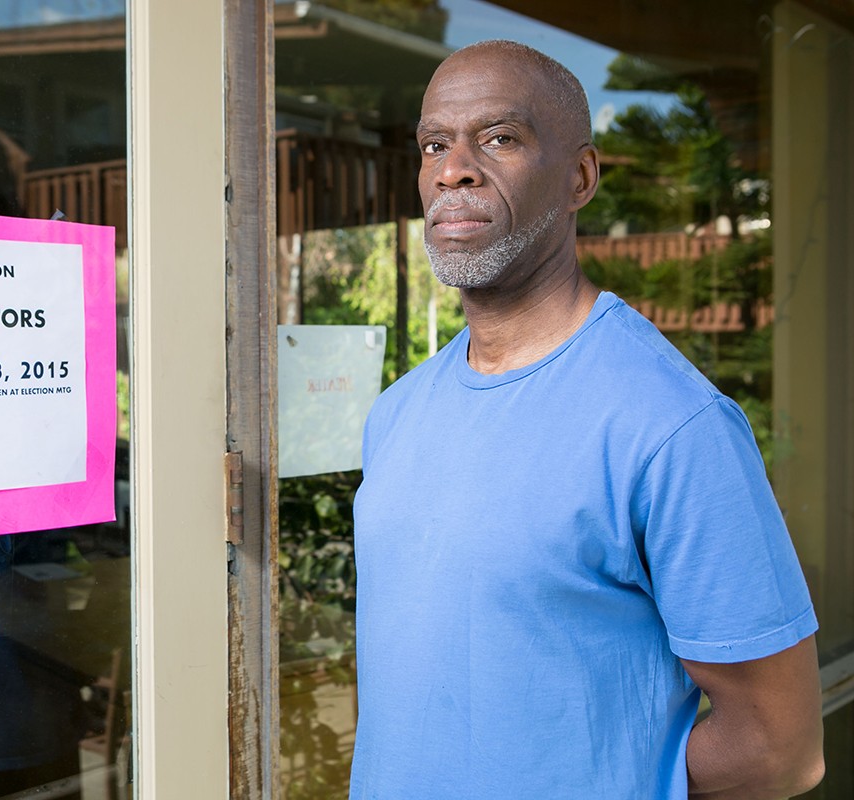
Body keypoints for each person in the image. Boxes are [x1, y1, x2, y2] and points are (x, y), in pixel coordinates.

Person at [350, 40, 824, 799]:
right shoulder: (396, 412)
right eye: (435, 145)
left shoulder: (672, 426)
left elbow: (780, 749)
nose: (453, 170)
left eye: (499, 138)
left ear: (580, 178)